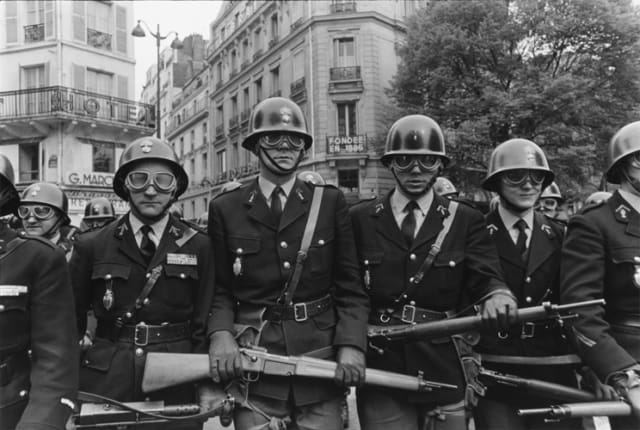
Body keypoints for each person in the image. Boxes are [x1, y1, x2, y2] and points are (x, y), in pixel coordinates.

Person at [207, 97, 369, 430]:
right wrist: (220, 333)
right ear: (255, 145)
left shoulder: (328, 201)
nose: (285, 147)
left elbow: (350, 286)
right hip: (256, 364)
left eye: (295, 140)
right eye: (272, 138)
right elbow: (220, 288)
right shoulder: (227, 207)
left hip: (319, 362)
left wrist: (352, 343)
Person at [349, 114, 517, 430]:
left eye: (427, 161)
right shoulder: (360, 219)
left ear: (440, 165)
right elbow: (349, 289)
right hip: (383, 362)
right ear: (390, 164)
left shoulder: (465, 219)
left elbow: (486, 273)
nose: (415, 170)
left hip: (444, 362)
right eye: (404, 160)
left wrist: (497, 294)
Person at [69, 136, 214, 429]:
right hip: (107, 377)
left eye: (162, 180)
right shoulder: (91, 245)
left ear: (175, 188)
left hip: (177, 378)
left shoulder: (199, 246)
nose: (150, 190)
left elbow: (204, 323)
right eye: (139, 179)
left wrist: (205, 382)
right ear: (125, 185)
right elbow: (70, 322)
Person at [474, 139, 580, 430]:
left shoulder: (562, 235)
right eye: (515, 176)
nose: (528, 185)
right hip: (495, 367)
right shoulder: (475, 233)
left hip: (554, 366)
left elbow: (578, 302)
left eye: (537, 177)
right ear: (495, 182)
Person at [560, 120, 640, 429]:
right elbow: (580, 311)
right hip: (631, 364)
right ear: (623, 166)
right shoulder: (595, 225)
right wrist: (625, 374)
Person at [0, 154, 78, 430]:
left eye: (42, 212)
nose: (32, 219)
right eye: (28, 211)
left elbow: (55, 361)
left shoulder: (42, 256)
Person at [18, 182, 77, 259]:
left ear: (61, 218)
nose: (31, 220)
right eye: (24, 211)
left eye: (42, 211)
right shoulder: (12, 248)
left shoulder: (76, 253)